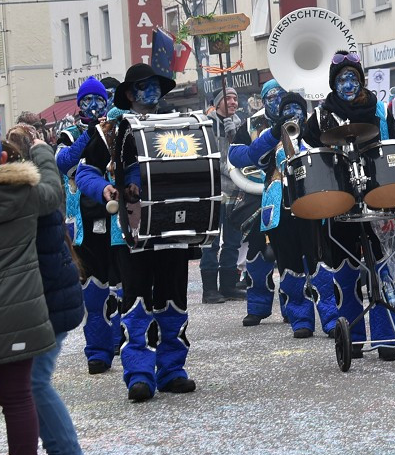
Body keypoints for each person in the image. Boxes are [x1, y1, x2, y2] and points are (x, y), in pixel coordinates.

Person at [76, 63, 197, 401]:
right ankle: (139, 373)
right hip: (132, 228)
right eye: (144, 86)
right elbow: (85, 173)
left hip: (173, 223)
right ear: (130, 94)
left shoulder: (178, 126)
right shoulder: (112, 130)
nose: (152, 92)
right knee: (137, 298)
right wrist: (105, 190)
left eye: (156, 85)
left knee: (174, 298)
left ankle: (172, 369)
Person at [2, 129, 95, 455]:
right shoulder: (33, 188)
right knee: (31, 381)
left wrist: (43, 149)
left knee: (34, 381)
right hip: (51, 299)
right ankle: (59, 452)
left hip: (52, 301)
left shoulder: (31, 194)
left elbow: (53, 183)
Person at [0, 123, 59, 455]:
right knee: (19, 399)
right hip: (22, 315)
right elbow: (55, 191)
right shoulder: (25, 193)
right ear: (4, 157)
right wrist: (41, 149)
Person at [302, 51, 395, 358]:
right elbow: (310, 156)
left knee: (381, 269)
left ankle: (386, 339)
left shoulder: (380, 111)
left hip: (378, 197)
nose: (349, 84)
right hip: (340, 200)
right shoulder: (321, 117)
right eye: (343, 79)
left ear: (361, 80)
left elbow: (394, 147)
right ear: (334, 84)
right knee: (345, 271)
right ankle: (354, 338)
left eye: (354, 78)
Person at [55, 77, 124, 375]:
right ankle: (97, 352)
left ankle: (122, 339)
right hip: (84, 223)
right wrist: (94, 133)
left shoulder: (118, 128)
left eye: (99, 99)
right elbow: (67, 164)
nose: (94, 105)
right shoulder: (69, 134)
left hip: (117, 220)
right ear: (79, 104)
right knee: (93, 291)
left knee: (121, 284)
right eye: (87, 101)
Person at [229, 79, 293, 328]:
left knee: (292, 253)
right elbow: (235, 154)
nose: (276, 101)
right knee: (256, 255)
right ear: (263, 100)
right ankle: (257, 307)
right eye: (271, 96)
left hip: (291, 195)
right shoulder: (251, 124)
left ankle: (293, 306)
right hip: (259, 196)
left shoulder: (299, 116)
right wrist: (259, 151)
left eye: (281, 96)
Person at [199, 86, 248, 304]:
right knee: (210, 240)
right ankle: (209, 289)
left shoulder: (241, 124)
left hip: (236, 190)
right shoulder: (205, 125)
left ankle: (228, 285)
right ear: (217, 103)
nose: (232, 102)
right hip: (212, 190)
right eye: (227, 98)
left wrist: (236, 135)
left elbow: (247, 154)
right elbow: (208, 158)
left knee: (233, 241)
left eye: (235, 98)